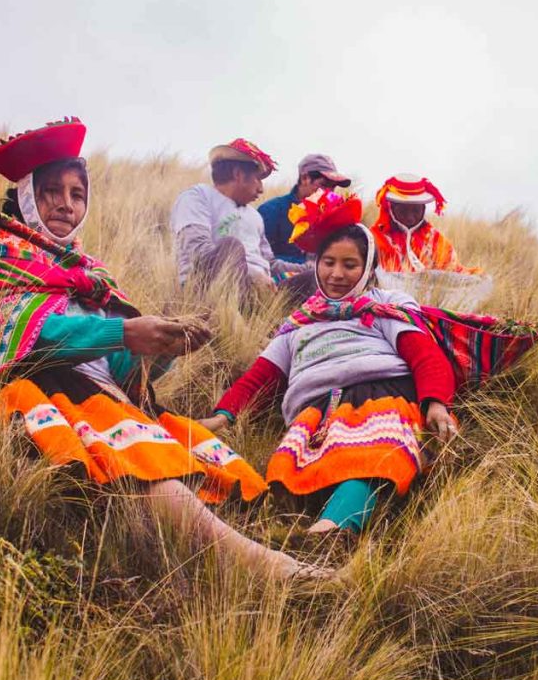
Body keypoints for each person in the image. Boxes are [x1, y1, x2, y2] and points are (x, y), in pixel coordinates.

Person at [0, 118, 328, 580]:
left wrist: (159, 349)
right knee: (143, 464)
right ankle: (263, 568)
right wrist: (124, 335)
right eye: (52, 191)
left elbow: (116, 368)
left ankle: (256, 544)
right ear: (26, 195)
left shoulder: (85, 273)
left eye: (77, 193)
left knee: (193, 454)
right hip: (34, 395)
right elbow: (19, 335)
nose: (65, 203)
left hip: (98, 396)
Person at [199, 189, 458, 539]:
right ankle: (302, 526)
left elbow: (424, 355)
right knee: (287, 472)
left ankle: (332, 531)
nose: (337, 274)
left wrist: (436, 404)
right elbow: (261, 377)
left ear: (368, 269)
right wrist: (223, 415)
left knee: (375, 457)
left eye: (350, 265)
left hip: (382, 396)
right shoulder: (300, 322)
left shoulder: (385, 306)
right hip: (318, 410)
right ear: (317, 263)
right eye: (328, 262)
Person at [170, 138, 311, 300]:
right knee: (231, 246)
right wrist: (251, 274)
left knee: (314, 278)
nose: (261, 189)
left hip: (262, 290)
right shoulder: (197, 197)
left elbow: (269, 263)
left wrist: (309, 268)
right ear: (238, 174)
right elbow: (197, 251)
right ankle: (237, 318)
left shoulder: (255, 216)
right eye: (258, 179)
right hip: (208, 292)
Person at [371, 174, 481, 274]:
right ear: (392, 208)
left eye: (415, 211)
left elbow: (451, 270)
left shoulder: (434, 240)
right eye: (403, 211)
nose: (410, 217)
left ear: (423, 209)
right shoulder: (374, 239)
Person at [258, 153, 352, 264]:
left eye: (333, 187)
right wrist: (308, 265)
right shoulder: (271, 211)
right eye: (324, 185)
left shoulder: (335, 217)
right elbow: (260, 258)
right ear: (304, 178)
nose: (329, 192)